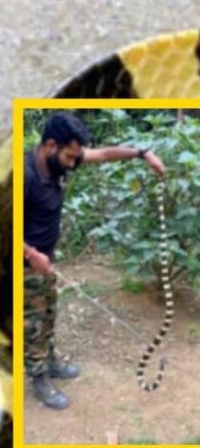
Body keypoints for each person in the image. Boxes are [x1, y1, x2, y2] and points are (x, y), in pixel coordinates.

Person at [24, 112, 166, 410]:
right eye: (70, 156)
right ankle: (38, 379)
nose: (75, 162)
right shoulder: (24, 174)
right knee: (32, 322)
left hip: (44, 260)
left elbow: (102, 154)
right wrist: (30, 254)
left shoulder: (63, 158)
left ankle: (49, 362)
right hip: (22, 264)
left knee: (48, 311)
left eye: (77, 156)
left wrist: (143, 154)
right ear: (50, 145)